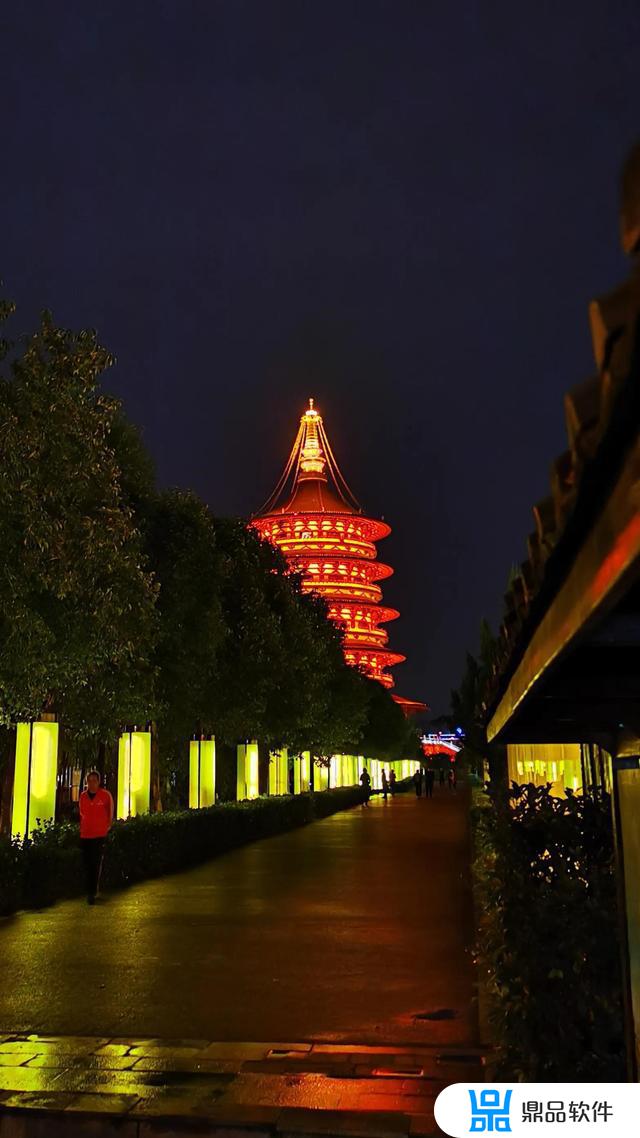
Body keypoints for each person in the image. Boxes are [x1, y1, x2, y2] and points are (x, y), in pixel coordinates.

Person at [79, 770, 114, 904]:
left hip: (99, 835)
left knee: (95, 863)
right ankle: (90, 889)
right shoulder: (83, 796)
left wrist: (106, 826)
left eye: (95, 781)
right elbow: (82, 813)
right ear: (87, 782)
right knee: (87, 864)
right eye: (90, 781)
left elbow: (110, 813)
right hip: (85, 835)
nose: (92, 783)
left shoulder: (105, 795)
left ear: (99, 782)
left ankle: (92, 892)